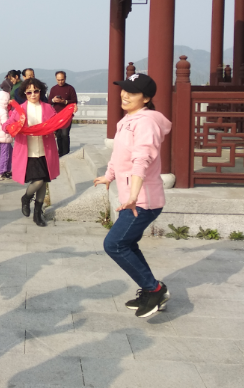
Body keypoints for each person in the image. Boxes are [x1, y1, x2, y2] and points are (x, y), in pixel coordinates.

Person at [94, 73, 172, 318]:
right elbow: (119, 154)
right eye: (124, 89)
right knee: (127, 243)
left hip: (143, 201)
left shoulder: (146, 123)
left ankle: (155, 290)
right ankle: (151, 289)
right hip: (132, 198)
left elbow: (141, 160)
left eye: (132, 92)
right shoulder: (127, 120)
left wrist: (133, 196)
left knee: (114, 244)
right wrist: (109, 175)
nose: (125, 95)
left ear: (146, 98)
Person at [3, 78, 75, 227]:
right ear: (24, 93)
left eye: (36, 91)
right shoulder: (20, 110)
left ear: (40, 91)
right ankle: (26, 197)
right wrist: (13, 127)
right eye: (29, 92)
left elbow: (59, 122)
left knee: (43, 182)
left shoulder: (48, 108)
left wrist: (70, 112)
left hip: (45, 151)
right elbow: (7, 125)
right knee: (38, 181)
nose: (33, 94)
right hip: (28, 152)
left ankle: (37, 214)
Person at [49, 71, 78, 157]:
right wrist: (54, 100)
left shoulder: (70, 88)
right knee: (59, 134)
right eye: (58, 80)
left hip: (67, 115)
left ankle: (66, 152)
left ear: (65, 78)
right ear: (56, 79)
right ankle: (60, 152)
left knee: (65, 134)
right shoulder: (53, 89)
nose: (60, 81)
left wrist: (64, 101)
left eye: (62, 80)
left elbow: (74, 100)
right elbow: (48, 101)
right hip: (56, 115)